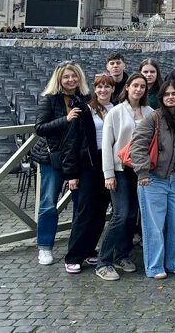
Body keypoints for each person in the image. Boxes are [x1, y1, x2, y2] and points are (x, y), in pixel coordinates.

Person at [131, 80, 175, 279]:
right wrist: (142, 172)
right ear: (161, 97)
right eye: (167, 94)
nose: (171, 97)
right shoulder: (154, 118)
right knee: (154, 227)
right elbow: (138, 145)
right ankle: (154, 266)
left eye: (174, 94)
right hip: (153, 180)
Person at [97, 73, 152, 280]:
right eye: (135, 85)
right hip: (120, 171)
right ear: (127, 87)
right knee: (120, 214)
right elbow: (106, 145)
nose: (138, 89)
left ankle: (122, 254)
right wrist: (108, 174)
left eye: (142, 87)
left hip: (140, 171)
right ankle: (104, 261)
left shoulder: (149, 112)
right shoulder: (116, 112)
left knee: (132, 215)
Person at [33, 62, 89, 266]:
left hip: (77, 159)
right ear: (59, 79)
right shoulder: (49, 100)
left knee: (80, 204)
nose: (70, 80)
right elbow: (39, 127)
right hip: (53, 158)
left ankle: (77, 246)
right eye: (66, 77)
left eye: (74, 76)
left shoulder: (84, 99)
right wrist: (65, 120)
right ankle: (45, 247)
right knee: (48, 203)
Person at [61, 73, 114, 274]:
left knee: (100, 211)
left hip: (108, 163)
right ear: (94, 89)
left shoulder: (115, 108)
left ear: (112, 89)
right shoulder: (84, 110)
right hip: (88, 165)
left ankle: (90, 250)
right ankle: (74, 255)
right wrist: (72, 174)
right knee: (85, 211)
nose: (103, 90)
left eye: (107, 87)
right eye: (99, 87)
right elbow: (72, 142)